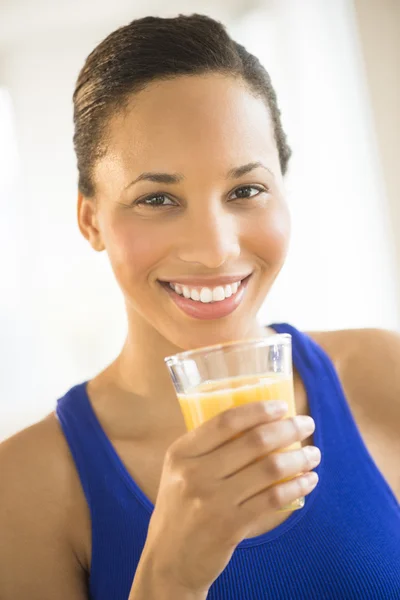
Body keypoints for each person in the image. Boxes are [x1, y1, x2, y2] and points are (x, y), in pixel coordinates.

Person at [0, 13, 399, 600]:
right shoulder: (25, 487)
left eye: (245, 190)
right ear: (91, 220)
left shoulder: (380, 374)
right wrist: (170, 578)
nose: (215, 251)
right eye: (157, 198)